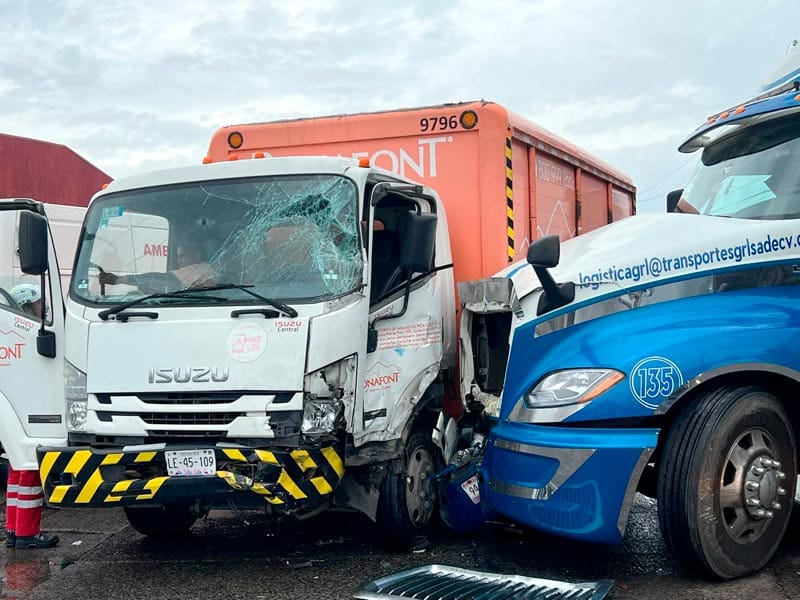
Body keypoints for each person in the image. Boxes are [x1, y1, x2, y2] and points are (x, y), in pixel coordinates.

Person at [4, 284, 59, 549]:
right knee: (28, 474)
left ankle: (14, 530)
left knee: (17, 471)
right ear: (27, 306)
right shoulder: (27, 334)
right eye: (38, 304)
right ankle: (27, 533)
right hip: (29, 414)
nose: (43, 308)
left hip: (16, 416)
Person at [99, 239, 215, 292]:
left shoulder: (202, 268)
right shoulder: (200, 271)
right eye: (177, 257)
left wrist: (119, 279)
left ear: (196, 256)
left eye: (182, 256)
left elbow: (163, 279)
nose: (178, 261)